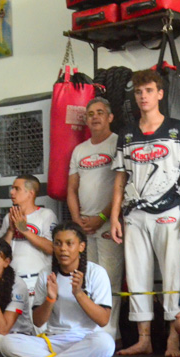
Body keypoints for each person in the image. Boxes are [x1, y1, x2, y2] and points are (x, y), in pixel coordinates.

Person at [110, 69, 180, 357]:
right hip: (134, 212)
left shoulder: (177, 129)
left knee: (173, 275)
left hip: (170, 208)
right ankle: (144, 338)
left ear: (160, 94)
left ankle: (174, 338)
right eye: (138, 92)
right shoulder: (126, 133)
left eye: (148, 90)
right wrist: (114, 216)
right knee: (137, 275)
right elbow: (120, 177)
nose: (143, 96)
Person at [0, 222, 115, 357]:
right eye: (58, 243)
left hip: (85, 341)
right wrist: (50, 299)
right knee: (7, 343)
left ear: (81, 246)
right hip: (53, 342)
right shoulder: (46, 274)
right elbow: (38, 322)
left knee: (105, 343)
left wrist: (79, 294)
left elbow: (103, 320)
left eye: (69, 243)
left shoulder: (96, 273)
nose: (63, 249)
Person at [67, 97, 122, 340]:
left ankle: (110, 333)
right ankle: (91, 332)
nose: (95, 117)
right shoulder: (80, 150)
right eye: (90, 114)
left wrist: (102, 217)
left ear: (110, 117)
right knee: (87, 278)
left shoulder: (117, 143)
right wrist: (76, 221)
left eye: (100, 112)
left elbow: (122, 186)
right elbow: (71, 189)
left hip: (109, 223)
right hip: (84, 226)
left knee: (110, 278)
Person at [0, 175, 57, 299]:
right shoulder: (8, 217)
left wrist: (24, 230)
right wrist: (10, 230)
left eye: (17, 189)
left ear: (30, 193)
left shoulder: (46, 215)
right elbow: (0, 252)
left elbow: (52, 248)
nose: (11, 192)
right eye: (12, 188)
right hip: (12, 279)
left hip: (36, 279)